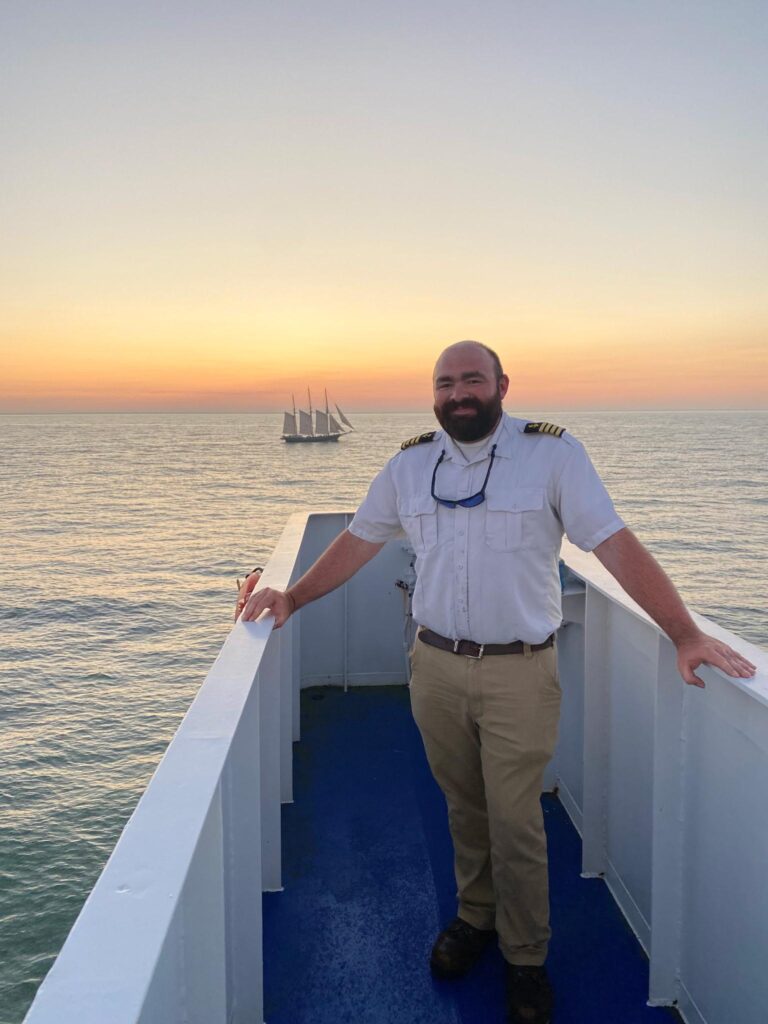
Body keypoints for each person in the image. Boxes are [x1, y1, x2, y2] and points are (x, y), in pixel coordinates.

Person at [239, 341, 755, 1024]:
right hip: (434, 666)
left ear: (502, 385)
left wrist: (684, 632)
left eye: (472, 380)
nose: (458, 393)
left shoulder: (552, 455)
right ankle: (475, 916)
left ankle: (525, 957)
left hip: (520, 670)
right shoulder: (409, 464)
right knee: (462, 804)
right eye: (445, 383)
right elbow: (359, 540)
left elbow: (613, 542)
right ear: (433, 394)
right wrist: (293, 598)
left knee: (514, 820)